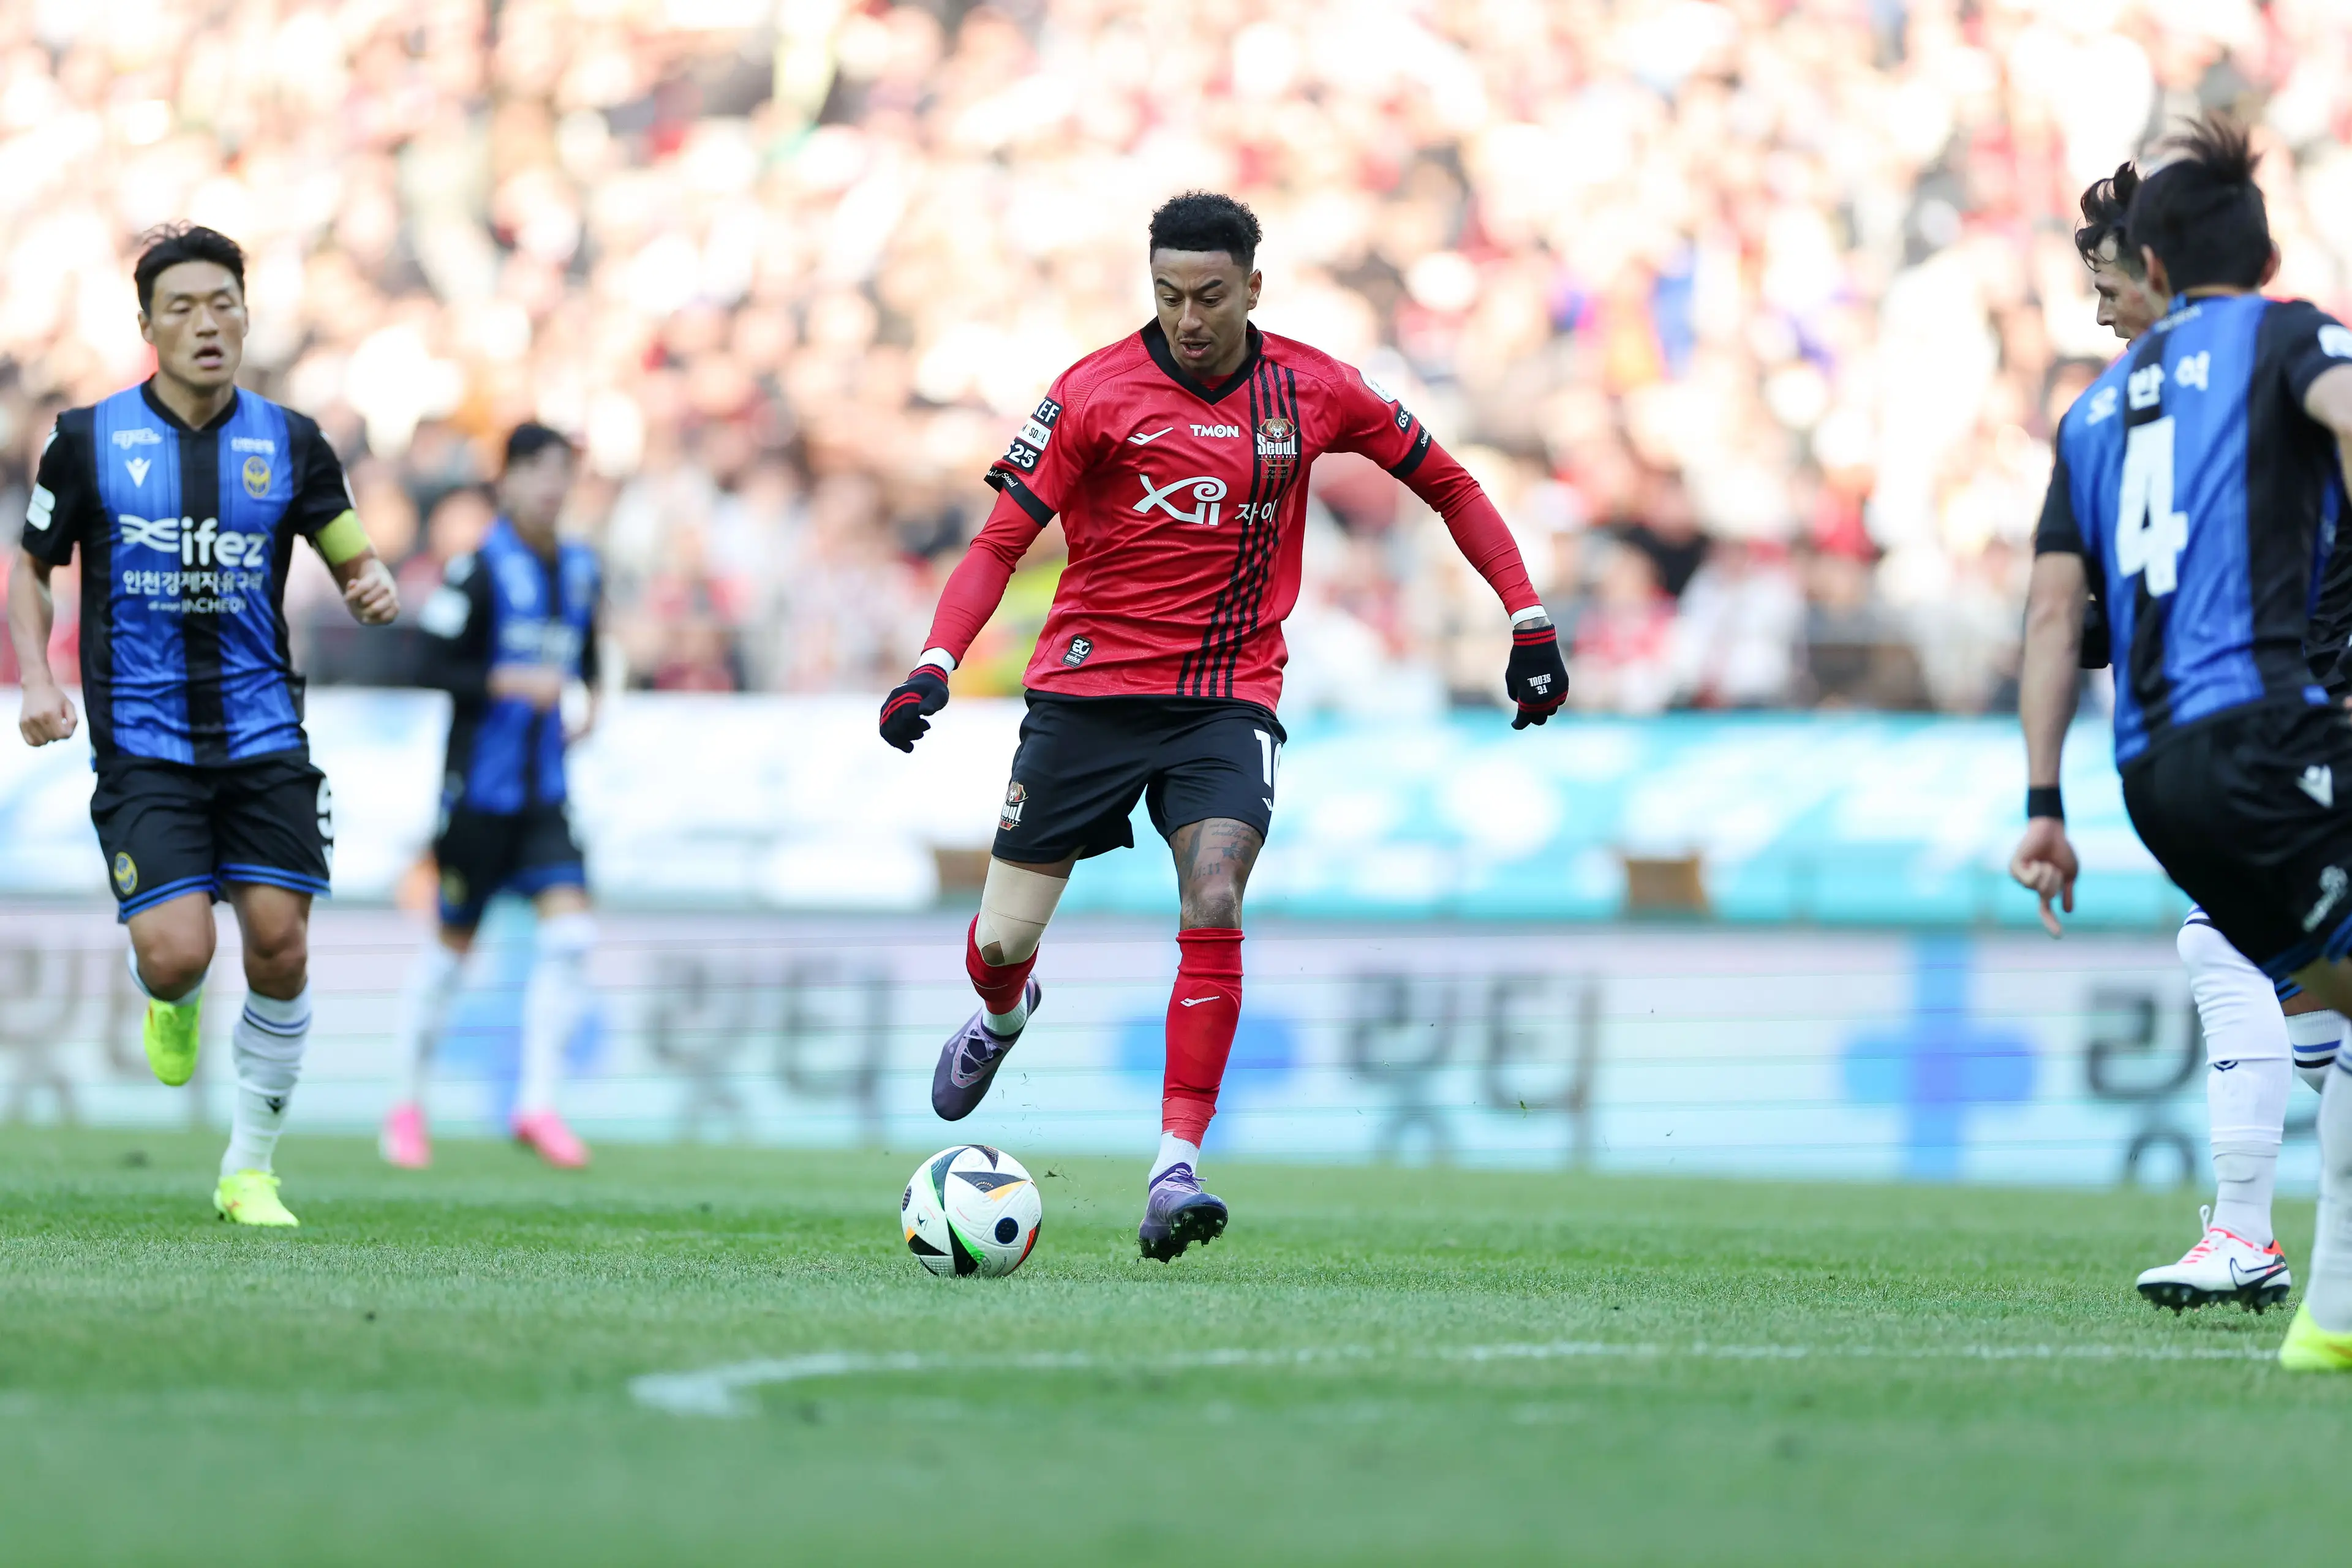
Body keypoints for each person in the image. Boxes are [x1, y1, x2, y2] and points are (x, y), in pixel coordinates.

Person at [878, 192, 1567, 1260]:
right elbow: (997, 544)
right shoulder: (1095, 392)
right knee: (1004, 939)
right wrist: (935, 663)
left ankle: (1174, 1166)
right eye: (1166, 295)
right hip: (1088, 694)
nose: (1187, 318)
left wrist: (1525, 616)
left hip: (1226, 698)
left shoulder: (1316, 387)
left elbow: (1449, 482)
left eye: (1208, 296)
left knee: (1214, 888)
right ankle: (1004, 1019)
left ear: (1254, 285)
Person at [2008, 116, 2352, 1370]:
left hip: (2166, 766)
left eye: (2104, 280)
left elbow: (2057, 615)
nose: (2100, 307)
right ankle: (2307, 1284)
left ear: (2151, 262)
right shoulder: (2275, 346)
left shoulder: (2096, 420)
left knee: (2286, 979)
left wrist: (2042, 797)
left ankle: (2295, 1273)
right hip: (2275, 726)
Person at [7, 224, 399, 1226]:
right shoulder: (89, 440)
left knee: (280, 943)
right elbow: (32, 568)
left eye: (221, 302)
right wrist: (39, 686)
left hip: (265, 737)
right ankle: (168, 993)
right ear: (147, 327)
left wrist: (369, 580)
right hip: (143, 744)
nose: (206, 323)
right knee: (179, 953)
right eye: (181, 307)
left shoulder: (292, 441)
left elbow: (349, 548)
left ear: (246, 315)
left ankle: (249, 1171)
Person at [382, 424, 601, 1170]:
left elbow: (591, 650)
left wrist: (595, 698)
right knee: (452, 953)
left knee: (573, 938)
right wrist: (504, 680)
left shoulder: (580, 567)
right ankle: (406, 1104)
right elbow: (427, 663)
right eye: (537, 469)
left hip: (546, 794)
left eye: (562, 471)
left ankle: (535, 1105)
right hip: (478, 793)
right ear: (505, 480)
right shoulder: (475, 569)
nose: (552, 485)